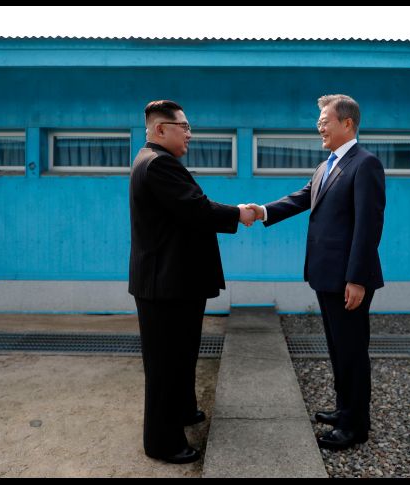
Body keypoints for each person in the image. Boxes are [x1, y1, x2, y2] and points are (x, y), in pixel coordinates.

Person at [246, 94, 386, 450]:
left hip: (348, 278)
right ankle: (344, 409)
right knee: (338, 348)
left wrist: (356, 278)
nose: (319, 127)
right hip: (325, 275)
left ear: (347, 124)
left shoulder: (365, 164)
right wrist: (262, 211)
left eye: (325, 121)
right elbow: (302, 197)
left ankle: (356, 426)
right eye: (319, 121)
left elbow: (368, 227)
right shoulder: (327, 165)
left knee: (352, 350)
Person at [129, 100, 255, 464]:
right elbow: (197, 209)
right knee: (166, 365)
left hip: (175, 283)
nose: (189, 133)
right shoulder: (157, 165)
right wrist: (239, 214)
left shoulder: (159, 162)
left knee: (182, 356)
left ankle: (184, 411)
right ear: (159, 129)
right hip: (164, 286)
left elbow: (191, 206)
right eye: (182, 126)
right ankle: (162, 442)